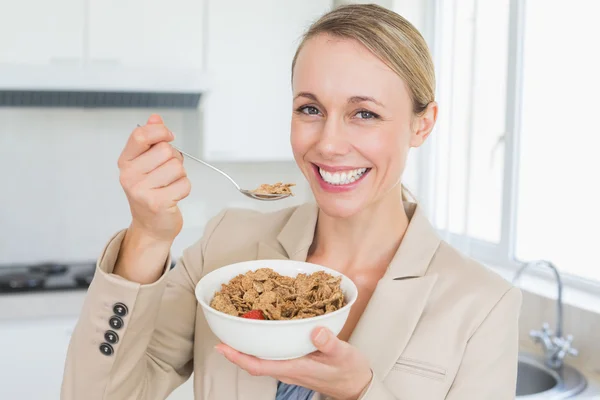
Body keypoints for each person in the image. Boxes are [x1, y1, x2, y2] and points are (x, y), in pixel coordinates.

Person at [61, 4, 521, 400]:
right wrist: (148, 235)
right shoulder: (227, 247)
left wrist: (362, 391)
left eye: (365, 113)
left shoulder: (481, 305)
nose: (329, 143)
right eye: (310, 109)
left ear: (422, 125)